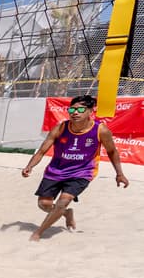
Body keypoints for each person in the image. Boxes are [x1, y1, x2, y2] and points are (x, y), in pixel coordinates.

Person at [22, 94, 128, 241]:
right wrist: (30, 166)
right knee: (44, 204)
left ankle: (38, 233)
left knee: (62, 202)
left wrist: (119, 174)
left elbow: (112, 151)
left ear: (91, 111)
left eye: (80, 110)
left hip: (82, 172)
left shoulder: (100, 130)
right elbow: (42, 151)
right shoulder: (61, 127)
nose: (75, 113)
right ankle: (67, 213)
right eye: (72, 110)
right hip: (56, 171)